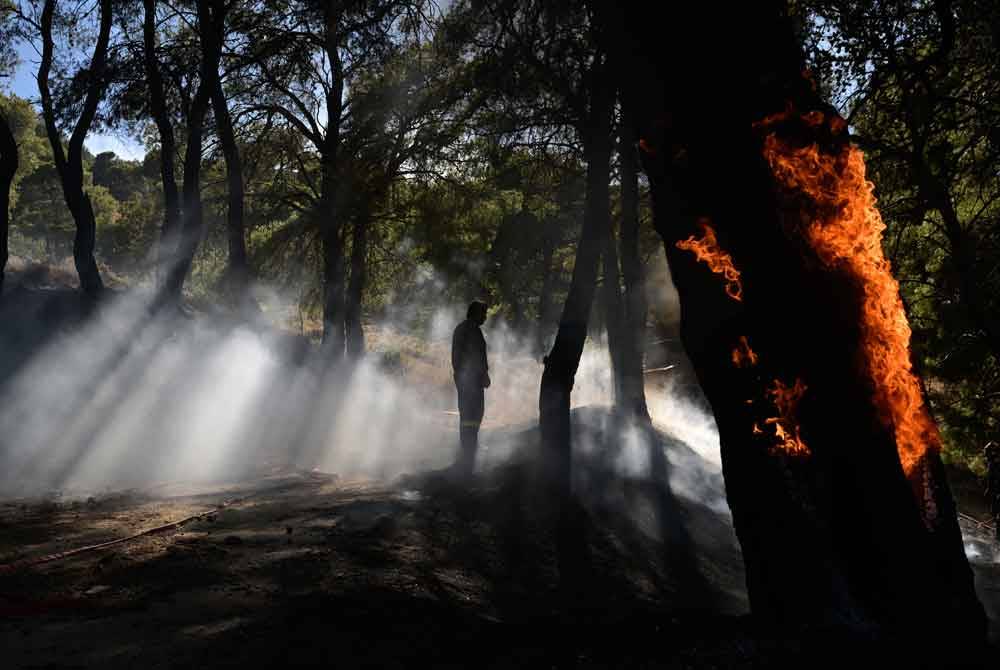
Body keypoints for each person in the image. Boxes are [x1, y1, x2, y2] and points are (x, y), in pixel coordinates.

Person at [451, 301, 490, 476]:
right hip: (472, 381)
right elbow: (476, 357)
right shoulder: (472, 330)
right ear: (475, 313)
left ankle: (467, 455)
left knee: (467, 417)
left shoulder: (461, 328)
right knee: (473, 416)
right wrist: (483, 375)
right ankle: (468, 458)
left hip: (464, 380)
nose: (485, 317)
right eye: (483, 313)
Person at [985, 441, 1000, 542]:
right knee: (994, 511)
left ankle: (998, 536)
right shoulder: (992, 461)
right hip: (995, 489)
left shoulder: (995, 462)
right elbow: (991, 478)